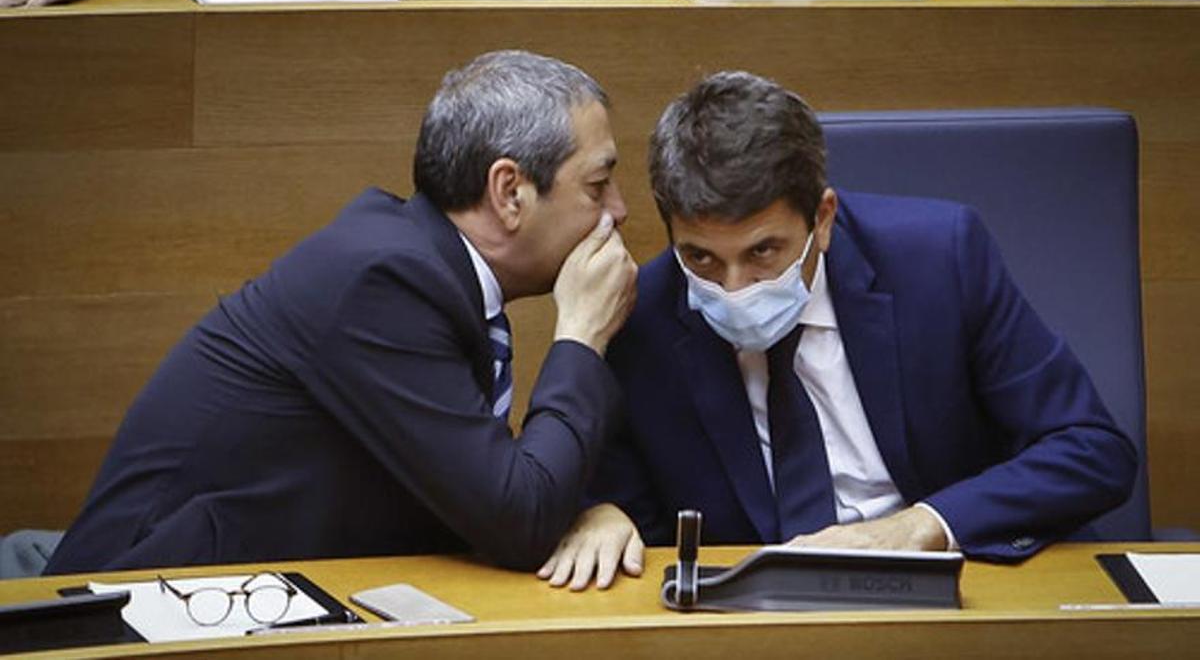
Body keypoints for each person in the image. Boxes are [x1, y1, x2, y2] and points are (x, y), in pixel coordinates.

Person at [537, 70, 1138, 591]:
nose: (735, 286)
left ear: (822, 219)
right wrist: (597, 510)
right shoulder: (645, 316)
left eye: (764, 251)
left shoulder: (939, 260)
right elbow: (594, 489)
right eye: (701, 258)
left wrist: (923, 525)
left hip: (950, 593)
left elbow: (1090, 450)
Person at [45, 50, 637, 574]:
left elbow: (477, 487)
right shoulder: (382, 282)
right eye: (598, 184)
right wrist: (581, 336)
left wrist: (590, 511)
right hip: (131, 613)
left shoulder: (423, 267)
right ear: (509, 192)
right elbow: (519, 517)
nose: (620, 210)